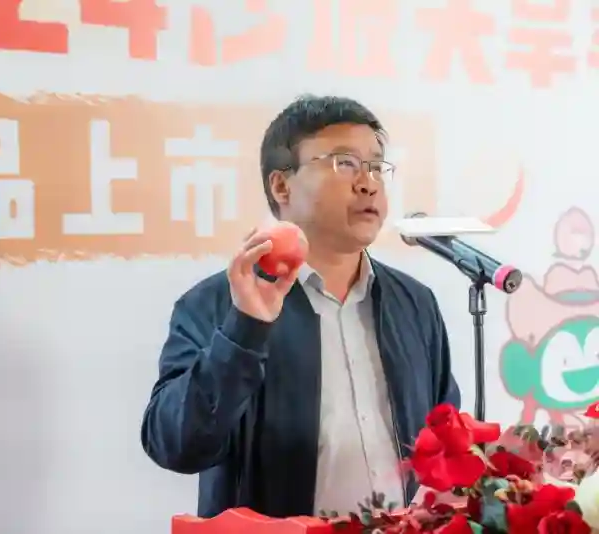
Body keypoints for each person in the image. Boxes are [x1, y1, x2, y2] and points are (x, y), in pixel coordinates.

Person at [140, 95, 461, 519]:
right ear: (282, 186)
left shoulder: (414, 304)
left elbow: (444, 441)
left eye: (376, 166)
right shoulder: (217, 304)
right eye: (344, 163)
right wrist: (245, 329)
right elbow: (176, 446)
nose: (368, 183)